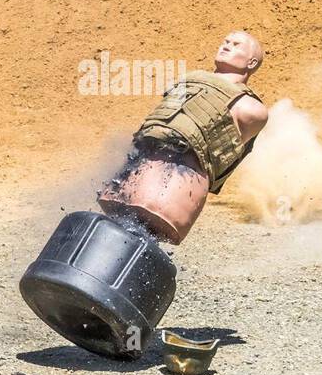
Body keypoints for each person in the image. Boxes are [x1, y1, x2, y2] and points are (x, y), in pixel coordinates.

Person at [98, 30, 269, 243]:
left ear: (251, 63)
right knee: (115, 235)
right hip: (135, 170)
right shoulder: (188, 81)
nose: (226, 46)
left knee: (138, 240)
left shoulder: (251, 109)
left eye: (236, 45)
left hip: (175, 189)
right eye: (225, 42)